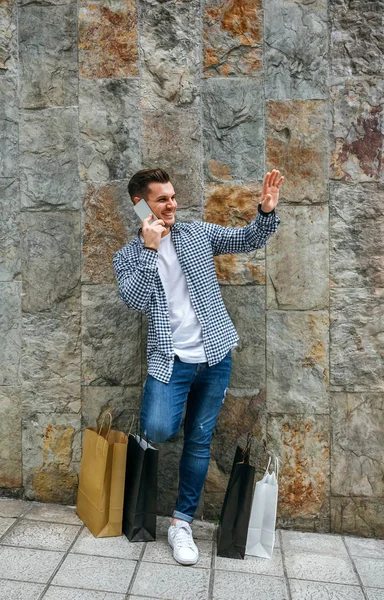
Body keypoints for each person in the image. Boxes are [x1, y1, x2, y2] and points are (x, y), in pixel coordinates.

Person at [113, 167, 283, 566]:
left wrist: (265, 211)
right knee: (157, 428)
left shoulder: (195, 234)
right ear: (141, 206)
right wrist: (151, 249)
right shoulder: (129, 256)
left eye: (172, 197)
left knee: (200, 440)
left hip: (214, 357)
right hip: (169, 361)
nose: (171, 205)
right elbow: (136, 301)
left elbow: (248, 239)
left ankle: (181, 522)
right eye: (161, 199)